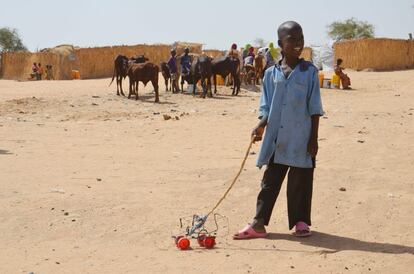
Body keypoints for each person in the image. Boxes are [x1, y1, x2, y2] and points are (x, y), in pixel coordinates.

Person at [233, 21, 324, 239]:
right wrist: (260, 125)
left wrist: (314, 138)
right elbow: (267, 106)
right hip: (277, 138)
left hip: (301, 138)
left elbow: (315, 108)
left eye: (300, 38)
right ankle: (259, 223)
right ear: (280, 44)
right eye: (292, 39)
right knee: (270, 180)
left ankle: (300, 222)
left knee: (300, 181)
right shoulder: (270, 74)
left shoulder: (309, 72)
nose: (298, 43)